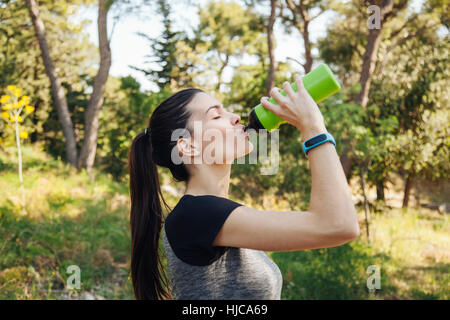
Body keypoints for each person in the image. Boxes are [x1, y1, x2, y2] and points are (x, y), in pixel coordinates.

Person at [128, 74, 360, 300]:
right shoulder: (196, 214)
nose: (236, 117)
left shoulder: (218, 215)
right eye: (216, 116)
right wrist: (313, 127)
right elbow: (338, 225)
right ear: (187, 147)